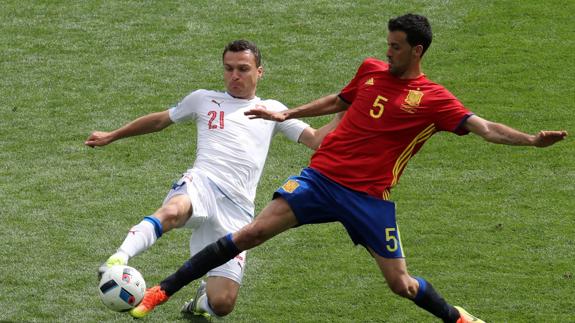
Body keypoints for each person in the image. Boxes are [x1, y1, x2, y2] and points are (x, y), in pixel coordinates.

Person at [129, 15, 568, 322]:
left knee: (402, 285)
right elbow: (340, 100)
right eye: (388, 44)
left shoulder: (434, 99)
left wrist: (530, 140)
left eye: (396, 47)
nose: (388, 52)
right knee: (250, 234)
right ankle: (161, 292)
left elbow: (484, 127)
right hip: (320, 179)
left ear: (417, 50)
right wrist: (289, 113)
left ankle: (457, 318)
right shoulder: (372, 70)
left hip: (368, 199)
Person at [86, 39, 341, 320]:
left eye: (243, 69)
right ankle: (118, 258)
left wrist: (346, 109)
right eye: (229, 68)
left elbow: (317, 139)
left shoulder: (271, 109)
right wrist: (113, 135)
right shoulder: (203, 99)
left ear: (260, 72)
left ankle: (199, 303)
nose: (235, 75)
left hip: (238, 211)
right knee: (173, 211)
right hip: (203, 183)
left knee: (223, 304)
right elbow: (160, 120)